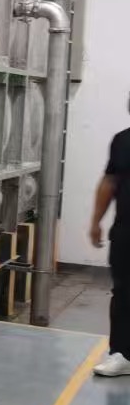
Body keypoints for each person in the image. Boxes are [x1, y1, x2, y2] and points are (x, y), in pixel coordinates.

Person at [90, 124, 130, 375]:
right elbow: (110, 181)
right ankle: (122, 354)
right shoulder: (123, 140)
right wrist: (96, 221)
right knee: (123, 292)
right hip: (126, 231)